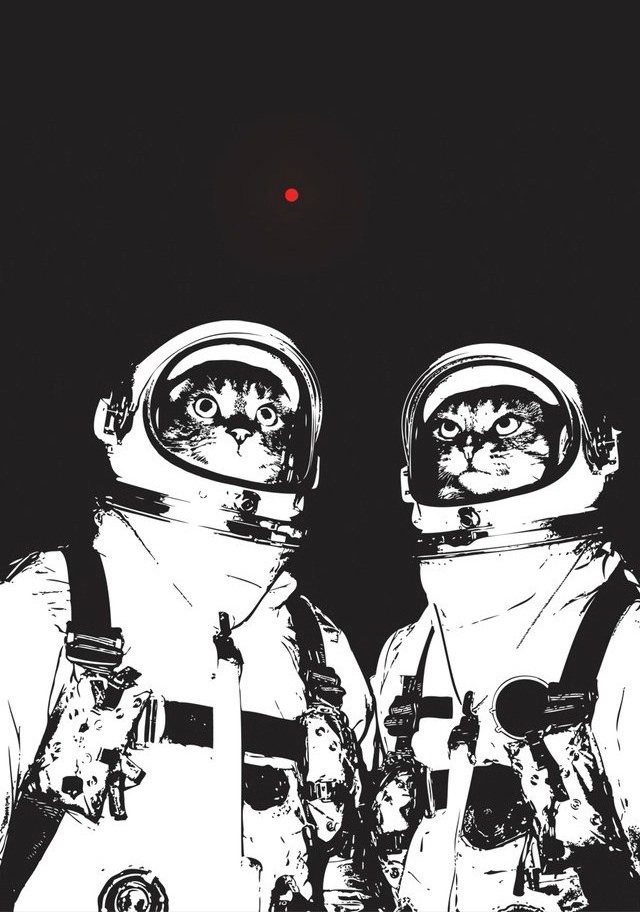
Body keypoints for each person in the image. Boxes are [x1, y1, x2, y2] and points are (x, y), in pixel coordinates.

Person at [0, 320, 374, 912]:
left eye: (268, 416)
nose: (241, 430)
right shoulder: (52, 605)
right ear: (124, 422)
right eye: (205, 406)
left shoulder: (318, 647)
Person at [370, 343, 640, 912]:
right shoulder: (408, 652)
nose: (470, 446)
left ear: (583, 448)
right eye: (448, 430)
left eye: (507, 425)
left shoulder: (623, 636)